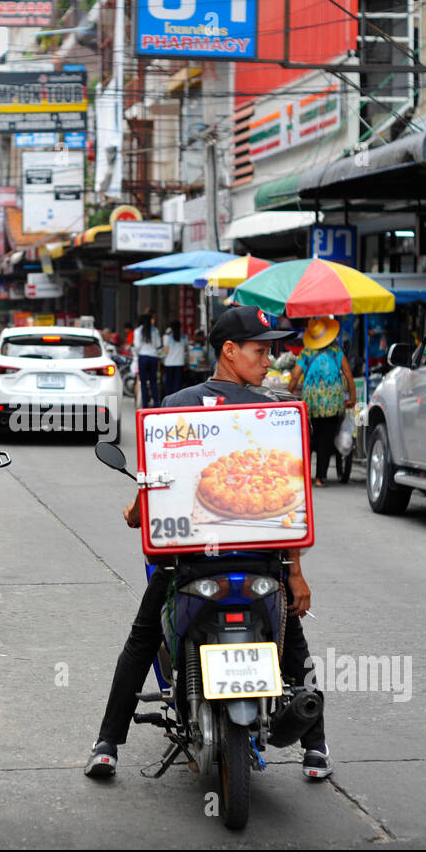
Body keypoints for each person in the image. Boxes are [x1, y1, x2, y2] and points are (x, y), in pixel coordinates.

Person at [84, 305, 330, 781]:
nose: (269, 360)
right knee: (294, 645)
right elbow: (291, 505)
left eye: (271, 350)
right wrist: (295, 572)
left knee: (142, 641)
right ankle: (316, 750)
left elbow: (153, 493)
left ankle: (107, 744)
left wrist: (136, 513)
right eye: (261, 350)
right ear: (230, 351)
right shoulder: (275, 412)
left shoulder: (175, 406)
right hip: (264, 565)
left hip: (189, 565)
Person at [290, 316, 357, 487]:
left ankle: (303, 475)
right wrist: (353, 398)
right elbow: (349, 375)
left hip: (310, 403)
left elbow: (295, 376)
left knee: (309, 438)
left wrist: (287, 395)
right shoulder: (336, 352)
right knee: (325, 440)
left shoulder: (306, 353)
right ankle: (320, 477)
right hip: (332, 404)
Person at [132, 313, 162, 408]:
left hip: (143, 357)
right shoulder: (155, 330)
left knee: (143, 382)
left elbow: (136, 346)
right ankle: (156, 404)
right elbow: (158, 345)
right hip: (153, 357)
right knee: (153, 381)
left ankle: (145, 405)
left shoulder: (138, 331)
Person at [161, 319, 186, 396]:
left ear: (171, 328)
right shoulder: (184, 337)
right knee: (177, 384)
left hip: (169, 363)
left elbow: (165, 351)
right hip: (180, 363)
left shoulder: (167, 337)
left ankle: (168, 402)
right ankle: (177, 402)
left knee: (168, 383)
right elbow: (186, 349)